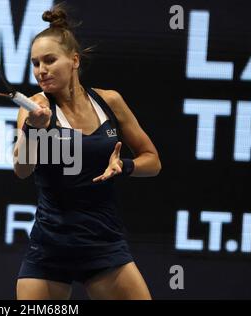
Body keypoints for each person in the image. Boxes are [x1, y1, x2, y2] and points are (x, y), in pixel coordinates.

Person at [13, 4, 161, 300]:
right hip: (50, 247)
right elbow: (22, 169)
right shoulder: (34, 107)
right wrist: (32, 129)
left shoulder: (110, 102)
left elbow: (153, 161)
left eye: (49, 60)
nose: (41, 71)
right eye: (35, 63)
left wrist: (125, 166)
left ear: (74, 60)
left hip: (103, 243)